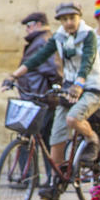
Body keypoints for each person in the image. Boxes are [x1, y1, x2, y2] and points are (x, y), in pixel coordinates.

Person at [3, 1, 100, 199]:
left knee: (73, 119)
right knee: (56, 139)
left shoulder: (88, 35)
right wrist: (13, 76)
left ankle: (92, 139)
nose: (69, 22)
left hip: (92, 88)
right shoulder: (59, 37)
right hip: (69, 91)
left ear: (79, 18)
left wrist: (79, 84)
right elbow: (37, 59)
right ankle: (56, 182)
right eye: (65, 19)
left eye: (72, 18)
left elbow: (87, 61)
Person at [16, 11, 62, 184]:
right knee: (45, 140)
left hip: (39, 99)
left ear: (38, 24)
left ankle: (29, 178)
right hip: (41, 99)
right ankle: (49, 178)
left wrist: (51, 90)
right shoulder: (40, 41)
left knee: (27, 138)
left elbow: (55, 71)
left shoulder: (42, 41)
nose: (27, 30)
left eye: (28, 26)